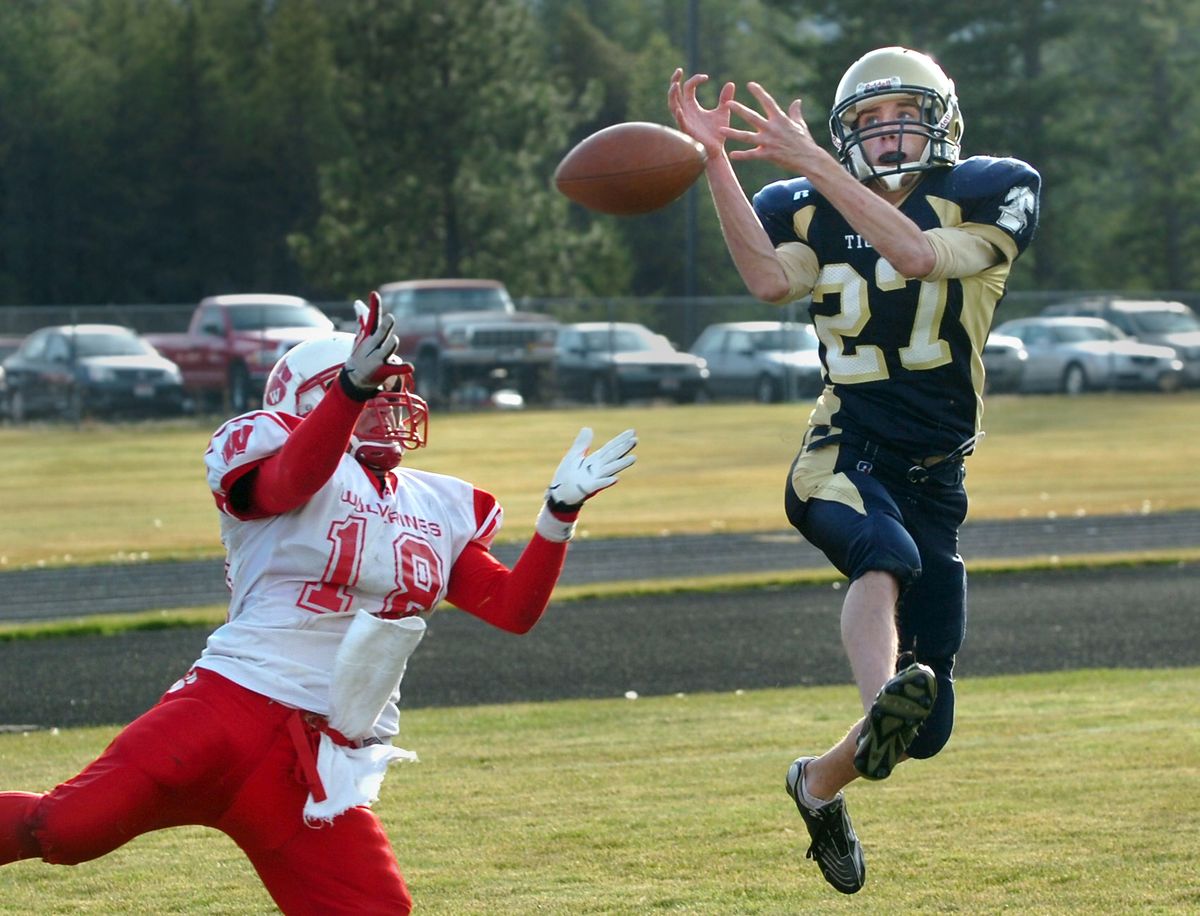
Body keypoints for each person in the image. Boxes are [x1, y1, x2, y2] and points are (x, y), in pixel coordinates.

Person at [0, 293, 637, 915]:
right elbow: (291, 481)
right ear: (315, 396)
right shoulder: (274, 449)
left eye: (392, 390)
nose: (390, 405)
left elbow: (511, 609)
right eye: (374, 389)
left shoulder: (437, 504)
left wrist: (558, 516)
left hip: (313, 761)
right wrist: (348, 395)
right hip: (228, 709)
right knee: (64, 830)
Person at [669, 46, 1039, 893]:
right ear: (844, 134)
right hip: (844, 446)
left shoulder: (992, 188)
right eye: (867, 120)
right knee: (886, 558)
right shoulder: (803, 205)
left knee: (930, 727)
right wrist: (719, 162)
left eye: (901, 111)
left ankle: (819, 782)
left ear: (942, 117)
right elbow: (767, 278)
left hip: (939, 473)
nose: (887, 130)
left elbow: (915, 255)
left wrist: (816, 165)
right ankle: (881, 701)